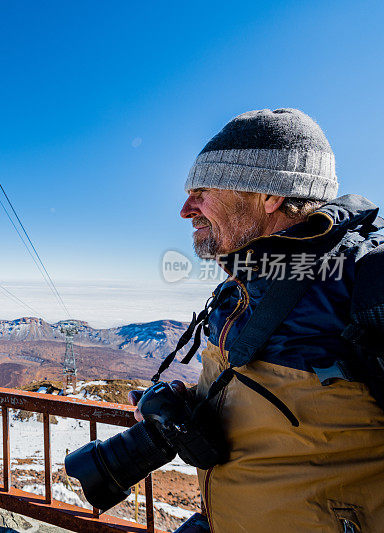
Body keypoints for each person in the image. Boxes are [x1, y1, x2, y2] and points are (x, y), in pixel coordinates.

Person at [133, 109, 384, 532]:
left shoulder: (369, 276)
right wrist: (186, 407)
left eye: (202, 190)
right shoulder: (240, 285)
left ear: (270, 194)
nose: (184, 209)